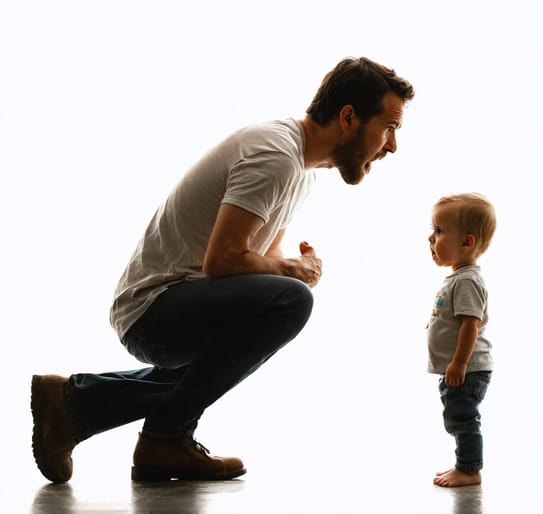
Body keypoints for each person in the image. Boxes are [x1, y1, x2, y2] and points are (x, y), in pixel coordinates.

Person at [30, 57, 415, 483]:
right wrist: (291, 273)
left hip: (179, 304)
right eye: (390, 127)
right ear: (348, 118)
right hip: (153, 311)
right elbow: (224, 260)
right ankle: (165, 436)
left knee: (282, 302)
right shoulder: (276, 155)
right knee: (291, 302)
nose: (392, 145)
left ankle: (71, 406)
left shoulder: (301, 171)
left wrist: (292, 267)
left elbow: (258, 260)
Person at [426, 193, 497, 488]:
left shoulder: (467, 281)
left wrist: (459, 363)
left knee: (463, 418)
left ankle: (469, 470)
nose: (431, 238)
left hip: (467, 368)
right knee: (456, 416)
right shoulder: (458, 278)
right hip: (459, 368)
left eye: (440, 231)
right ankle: (464, 465)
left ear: (467, 243)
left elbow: (471, 325)